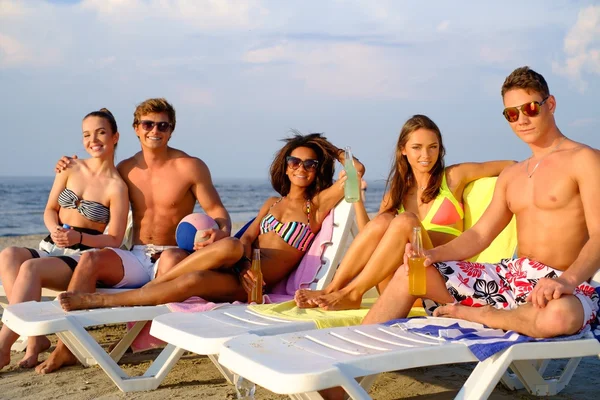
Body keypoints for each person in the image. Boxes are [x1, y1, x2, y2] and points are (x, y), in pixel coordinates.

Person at [362, 66, 600, 339]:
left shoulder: (585, 160)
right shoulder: (513, 175)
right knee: (409, 274)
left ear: (551, 104)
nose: (521, 119)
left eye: (531, 108)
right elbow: (479, 235)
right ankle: (349, 362)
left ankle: (484, 314)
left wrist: (567, 280)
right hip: (509, 279)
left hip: (563, 282)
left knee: (560, 316)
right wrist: (432, 255)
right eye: (512, 113)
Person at [57, 133, 366, 312]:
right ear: (285, 167)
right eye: (294, 161)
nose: (301, 168)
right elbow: (247, 240)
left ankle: (99, 300)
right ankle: (150, 286)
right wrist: (245, 260)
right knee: (231, 243)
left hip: (254, 284)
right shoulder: (272, 203)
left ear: (316, 169)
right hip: (241, 264)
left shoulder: (317, 205)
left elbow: (357, 169)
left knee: (191, 282)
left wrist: (326, 147)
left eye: (309, 163)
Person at [37, 98, 231, 374]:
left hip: (172, 254)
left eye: (162, 125)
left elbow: (216, 210)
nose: (155, 130)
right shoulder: (126, 169)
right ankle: (66, 348)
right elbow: (93, 178)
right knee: (91, 260)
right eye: (148, 124)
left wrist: (220, 233)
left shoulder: (190, 166)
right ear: (136, 129)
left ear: (171, 129)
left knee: (173, 255)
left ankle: (148, 332)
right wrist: (67, 164)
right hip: (136, 253)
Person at [296, 114, 516, 311]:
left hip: (440, 281)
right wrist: (356, 198)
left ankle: (353, 293)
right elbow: (371, 236)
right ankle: (334, 288)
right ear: (403, 149)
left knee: (406, 220)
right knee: (383, 220)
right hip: (397, 285)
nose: (426, 155)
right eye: (417, 147)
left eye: (433, 147)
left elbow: (512, 165)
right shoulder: (398, 191)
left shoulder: (453, 177)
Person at [0, 108, 129, 370]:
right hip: (52, 245)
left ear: (115, 136)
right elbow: (49, 209)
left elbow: (114, 238)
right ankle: (36, 340)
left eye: (101, 132)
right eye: (87, 134)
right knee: (9, 255)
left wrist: (77, 236)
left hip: (81, 257)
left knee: (30, 268)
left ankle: (2, 346)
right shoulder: (69, 167)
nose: (93, 139)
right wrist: (55, 229)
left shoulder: (117, 186)